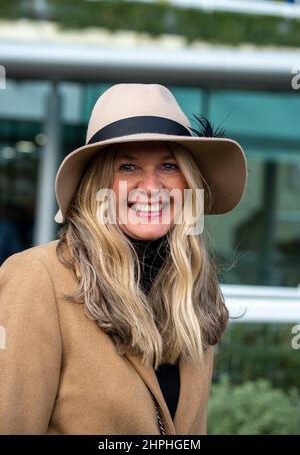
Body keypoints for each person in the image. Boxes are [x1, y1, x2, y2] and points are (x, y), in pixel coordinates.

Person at [0, 83, 248, 435]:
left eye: (167, 165)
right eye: (127, 167)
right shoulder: (37, 277)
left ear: (187, 182)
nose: (151, 187)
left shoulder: (190, 290)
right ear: (95, 186)